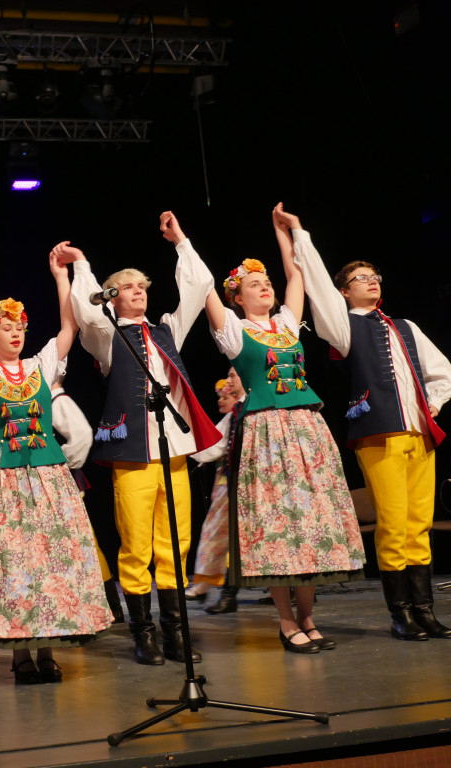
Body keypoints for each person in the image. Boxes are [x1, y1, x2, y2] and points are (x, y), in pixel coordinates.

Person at [57, 214, 220, 666]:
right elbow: (86, 310)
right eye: (127, 287)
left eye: (141, 286)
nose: (137, 291)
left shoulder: (167, 327)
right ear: (113, 296)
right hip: (132, 452)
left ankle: (175, 632)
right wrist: (83, 264)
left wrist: (182, 242)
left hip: (174, 450)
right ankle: (142, 633)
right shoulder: (108, 336)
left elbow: (199, 285)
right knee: (135, 546)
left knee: (175, 543)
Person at [203, 203, 366, 654]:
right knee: (277, 525)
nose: (266, 288)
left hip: (307, 429)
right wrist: (184, 246)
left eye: (266, 282)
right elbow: (207, 297)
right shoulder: (235, 332)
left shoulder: (287, 324)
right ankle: (285, 619)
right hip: (267, 432)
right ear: (238, 297)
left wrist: (284, 232)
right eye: (256, 285)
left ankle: (310, 617)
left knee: (312, 521)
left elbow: (296, 276)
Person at [0, 247, 112, 684]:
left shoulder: (40, 367)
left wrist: (61, 277)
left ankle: (47, 650)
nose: (16, 334)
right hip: (4, 480)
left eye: (20, 327)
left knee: (51, 563)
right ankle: (20, 654)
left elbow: (68, 326)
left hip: (47, 478)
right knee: (14, 564)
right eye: (6, 328)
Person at [295, 227, 451, 641]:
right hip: (377, 435)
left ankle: (425, 610)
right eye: (361, 277)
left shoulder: (406, 326)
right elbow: (319, 292)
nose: (372, 280)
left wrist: (433, 403)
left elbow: (442, 370)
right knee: (394, 524)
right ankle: (400, 613)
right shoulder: (344, 328)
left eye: (374, 275)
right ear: (343, 291)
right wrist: (299, 235)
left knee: (420, 524)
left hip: (420, 435)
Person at [0, 379, 125, 624]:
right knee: (64, 546)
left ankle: (108, 605)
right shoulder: (31, 401)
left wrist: (56, 464)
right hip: (37, 478)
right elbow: (15, 436)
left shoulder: (56, 401)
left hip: (53, 480)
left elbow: (82, 436)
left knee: (80, 545)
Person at [186, 369, 245, 614]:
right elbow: (215, 444)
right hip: (232, 483)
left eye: (232, 376)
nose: (228, 386)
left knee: (225, 535)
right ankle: (220, 590)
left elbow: (214, 446)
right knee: (225, 535)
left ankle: (216, 588)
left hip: (240, 483)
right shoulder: (235, 414)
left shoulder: (246, 410)